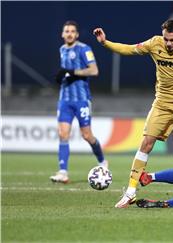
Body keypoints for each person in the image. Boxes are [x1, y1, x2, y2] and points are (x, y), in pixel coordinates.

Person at [93, 19, 173, 208]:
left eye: (172, 40)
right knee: (146, 143)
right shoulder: (154, 43)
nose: (168, 43)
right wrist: (105, 42)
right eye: (166, 39)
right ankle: (130, 192)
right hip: (162, 101)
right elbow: (128, 49)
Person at [50, 20, 108, 184]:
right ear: (62, 34)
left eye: (72, 31)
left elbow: (94, 70)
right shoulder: (62, 49)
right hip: (64, 100)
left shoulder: (84, 49)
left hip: (81, 100)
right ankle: (63, 172)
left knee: (87, 136)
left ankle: (103, 162)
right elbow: (65, 72)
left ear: (76, 34)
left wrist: (72, 72)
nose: (69, 33)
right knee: (63, 134)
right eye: (66, 31)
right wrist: (62, 77)